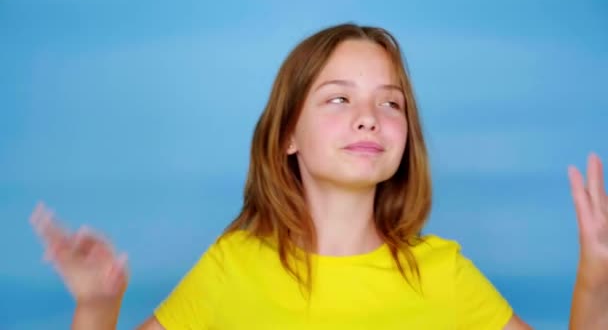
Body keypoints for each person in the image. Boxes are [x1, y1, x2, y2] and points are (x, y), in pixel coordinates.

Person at [30, 23, 608, 330]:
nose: (368, 116)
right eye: (337, 98)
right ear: (287, 137)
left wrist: (595, 277)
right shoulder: (231, 267)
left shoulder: (446, 275)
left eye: (391, 104)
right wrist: (97, 306)